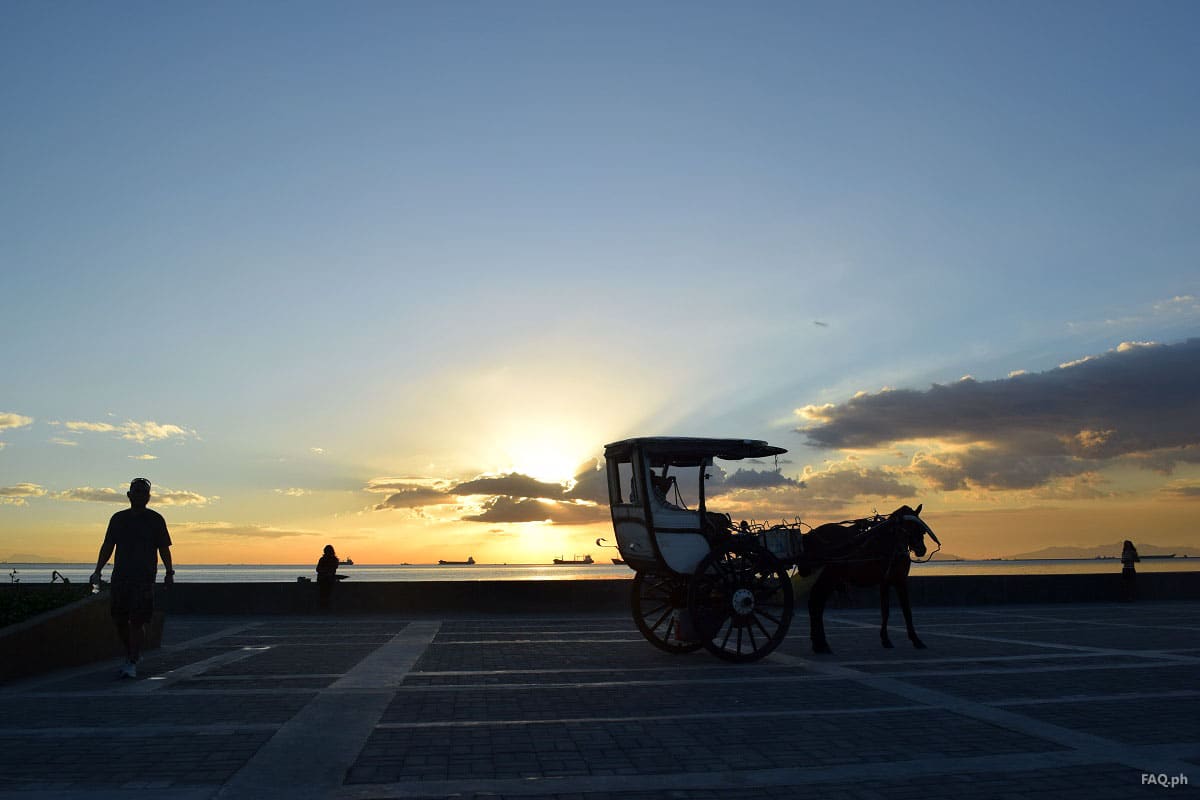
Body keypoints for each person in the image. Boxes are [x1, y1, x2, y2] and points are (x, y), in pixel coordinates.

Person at [89, 478, 173, 678]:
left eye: (144, 492)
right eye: (136, 491)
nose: (140, 495)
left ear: (149, 497)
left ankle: (132, 659)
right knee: (119, 619)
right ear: (129, 494)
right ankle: (131, 652)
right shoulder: (118, 519)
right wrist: (98, 570)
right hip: (120, 576)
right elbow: (108, 545)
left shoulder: (156, 519)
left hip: (143, 578)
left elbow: (164, 548)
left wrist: (169, 572)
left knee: (137, 621)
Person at [316, 544, 340, 610]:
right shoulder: (333, 559)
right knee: (325, 594)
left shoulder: (325, 559)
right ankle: (325, 607)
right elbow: (318, 569)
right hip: (325, 579)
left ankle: (324, 607)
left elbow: (318, 569)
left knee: (324, 594)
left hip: (325, 579)